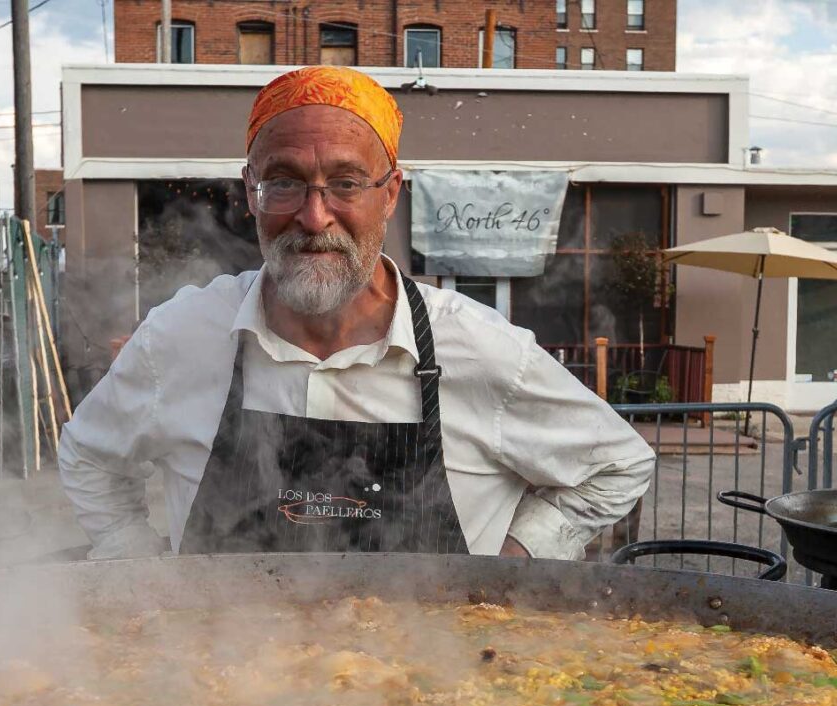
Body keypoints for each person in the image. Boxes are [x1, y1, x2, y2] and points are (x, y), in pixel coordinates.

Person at [59, 66, 654, 560]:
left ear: (390, 194)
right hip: (221, 689)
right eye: (284, 184)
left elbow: (617, 465)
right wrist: (136, 569)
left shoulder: (474, 346)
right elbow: (89, 456)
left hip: (436, 691)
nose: (315, 218)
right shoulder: (182, 337)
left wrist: (513, 565)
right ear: (250, 192)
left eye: (345, 184)